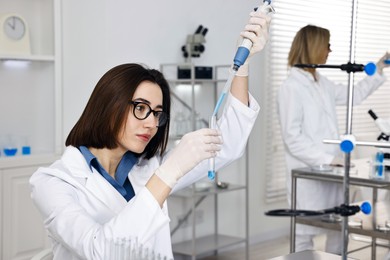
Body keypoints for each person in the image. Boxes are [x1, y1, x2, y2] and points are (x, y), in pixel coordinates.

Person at [29, 11, 272, 260]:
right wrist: (169, 171)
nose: (151, 124)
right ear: (108, 105)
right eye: (141, 108)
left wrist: (243, 65)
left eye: (157, 113)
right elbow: (99, 251)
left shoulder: (145, 168)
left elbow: (227, 144)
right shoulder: (54, 183)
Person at [277, 24, 389, 254]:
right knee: (303, 236)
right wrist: (327, 159)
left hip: (332, 173)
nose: (330, 50)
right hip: (309, 176)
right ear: (314, 47)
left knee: (339, 230)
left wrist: (378, 69)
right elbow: (292, 137)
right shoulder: (291, 87)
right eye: (327, 45)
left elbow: (354, 96)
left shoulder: (322, 83)